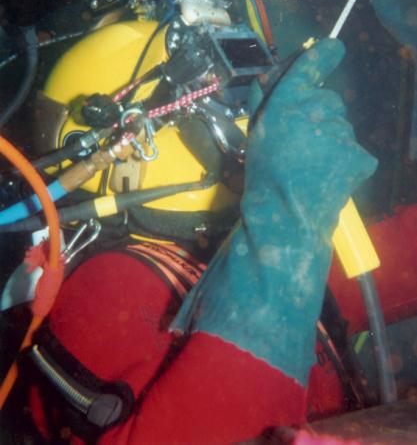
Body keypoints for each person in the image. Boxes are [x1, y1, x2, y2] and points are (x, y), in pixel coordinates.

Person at [24, 36, 378, 445]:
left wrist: (296, 221)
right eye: (217, 98)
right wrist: (289, 216)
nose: (241, 119)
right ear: (127, 156)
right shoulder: (110, 286)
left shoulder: (241, 245)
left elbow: (377, 282)